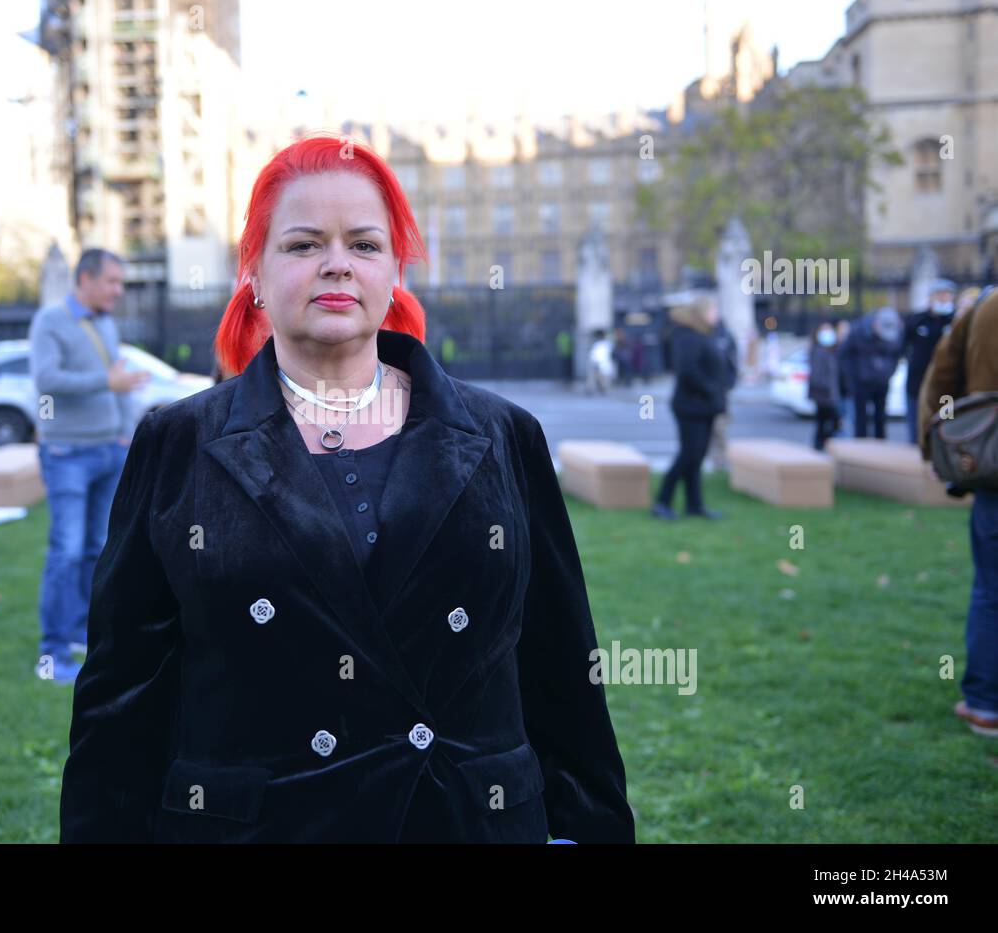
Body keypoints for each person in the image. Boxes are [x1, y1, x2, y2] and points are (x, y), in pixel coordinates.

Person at [59, 135, 634, 844]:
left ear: (394, 272)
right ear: (257, 277)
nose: (337, 262)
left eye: (364, 244)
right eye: (303, 245)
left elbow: (561, 671)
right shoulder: (177, 443)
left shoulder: (502, 434)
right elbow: (123, 699)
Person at [29, 249, 151, 683]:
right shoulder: (51, 320)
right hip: (67, 454)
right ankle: (52, 653)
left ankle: (82, 631)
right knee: (65, 549)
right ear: (85, 278)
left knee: (97, 548)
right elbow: (46, 380)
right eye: (112, 282)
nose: (118, 291)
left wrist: (123, 431)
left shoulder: (105, 322)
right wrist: (108, 382)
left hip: (108, 450)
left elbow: (116, 383)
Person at [918, 284, 998, 736]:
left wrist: (938, 446)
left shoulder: (987, 305)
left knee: (992, 589)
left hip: (994, 467)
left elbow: (942, 377)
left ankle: (987, 705)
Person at [652, 296, 732, 521]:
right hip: (692, 407)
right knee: (688, 455)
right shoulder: (688, 337)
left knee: (696, 458)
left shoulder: (704, 335)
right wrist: (712, 390)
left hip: (703, 407)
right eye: (713, 309)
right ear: (701, 313)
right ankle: (662, 502)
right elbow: (688, 371)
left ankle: (694, 505)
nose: (717, 314)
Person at [901, 279, 956, 445]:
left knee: (946, 424)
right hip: (917, 383)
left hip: (946, 384)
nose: (942, 298)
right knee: (917, 426)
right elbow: (903, 345)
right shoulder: (917, 320)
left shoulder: (957, 321)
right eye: (939, 295)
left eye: (946, 295)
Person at [838, 306, 903, 439]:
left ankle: (880, 448)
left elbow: (896, 355)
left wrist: (888, 373)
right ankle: (860, 448)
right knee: (860, 419)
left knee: (881, 417)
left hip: (882, 381)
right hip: (861, 383)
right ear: (875, 324)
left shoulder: (894, 333)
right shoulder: (857, 331)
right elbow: (843, 355)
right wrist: (853, 376)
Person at [706, 318, 738, 472]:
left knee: (718, 427)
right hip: (708, 389)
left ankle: (721, 459)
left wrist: (729, 383)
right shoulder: (703, 334)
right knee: (711, 429)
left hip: (720, 390)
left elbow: (732, 361)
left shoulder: (724, 336)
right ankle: (717, 458)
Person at [807, 321, 842, 450]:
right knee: (825, 422)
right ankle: (821, 446)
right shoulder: (817, 351)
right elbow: (817, 375)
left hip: (829, 394)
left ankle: (823, 445)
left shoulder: (832, 350)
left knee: (826, 423)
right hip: (823, 395)